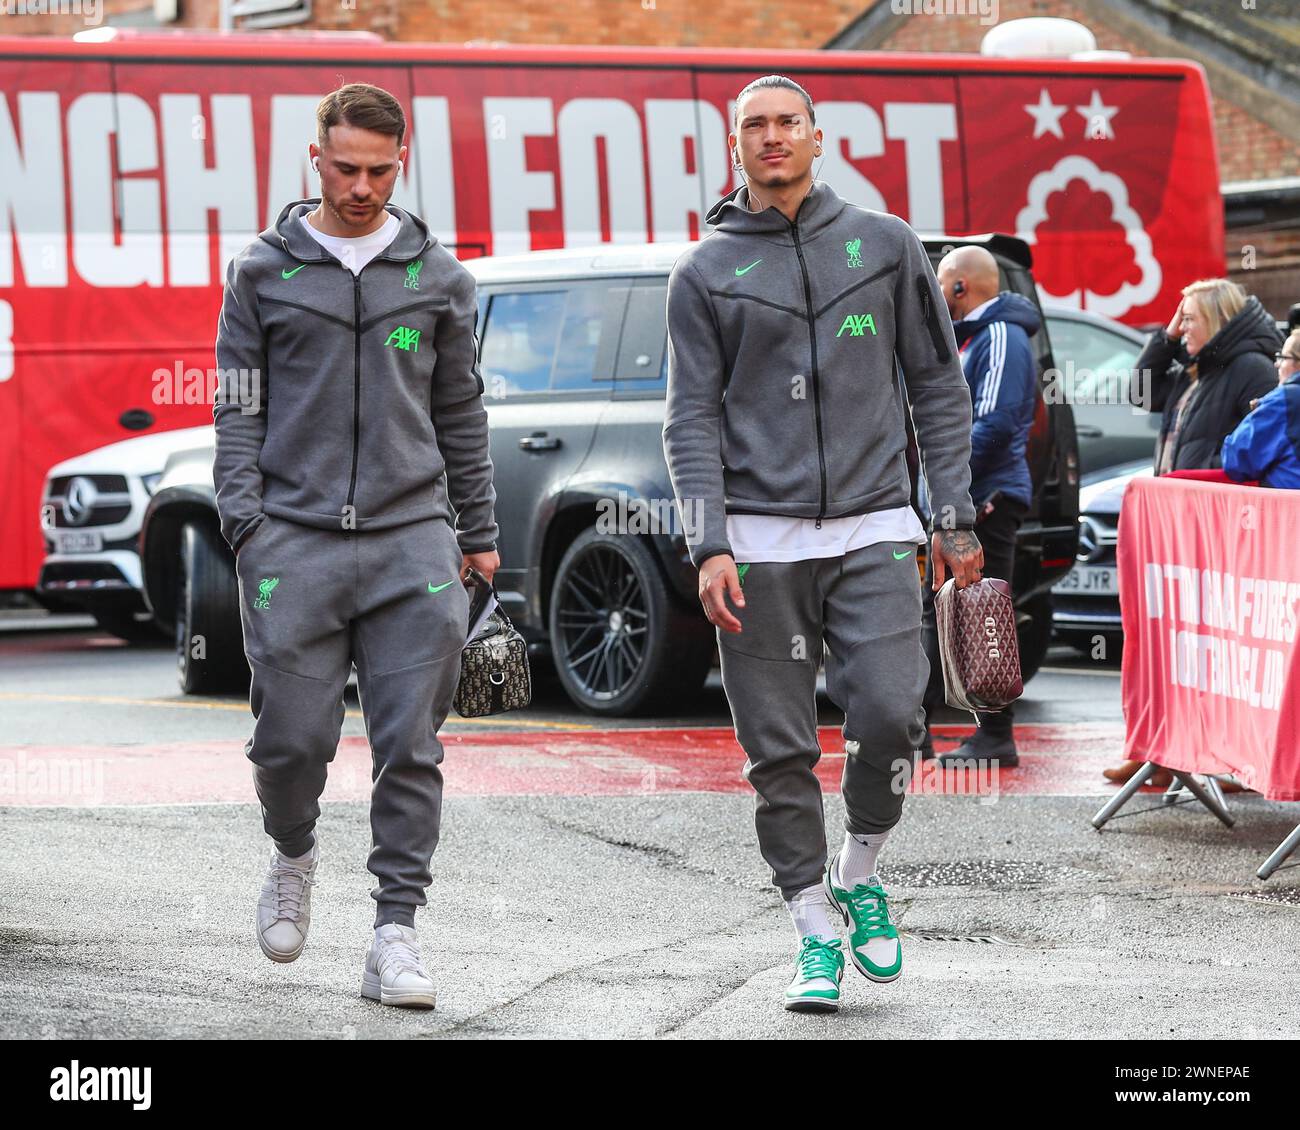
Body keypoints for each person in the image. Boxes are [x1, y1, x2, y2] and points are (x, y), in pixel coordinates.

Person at [662, 75, 981, 1014]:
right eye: (753, 126)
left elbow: (937, 386)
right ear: (734, 147)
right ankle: (810, 927)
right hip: (759, 546)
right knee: (780, 751)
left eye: (786, 122)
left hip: (879, 525)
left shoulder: (883, 246)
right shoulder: (705, 270)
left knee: (891, 713)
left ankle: (859, 867)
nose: (771, 137)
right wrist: (708, 541)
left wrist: (952, 512)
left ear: (817, 136)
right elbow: (689, 418)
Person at [212, 83, 499, 1008]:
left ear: (400, 162)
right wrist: (246, 526)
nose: (362, 187)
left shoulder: (438, 278)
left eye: (379, 170)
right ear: (316, 159)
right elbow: (238, 410)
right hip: (291, 544)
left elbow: (460, 413)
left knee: (410, 746)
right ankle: (292, 852)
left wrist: (481, 537)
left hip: (414, 539)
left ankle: (394, 935)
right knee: (290, 744)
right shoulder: (263, 271)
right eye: (346, 168)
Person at [1105, 279, 1280, 785]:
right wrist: (1165, 335)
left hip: (1215, 530)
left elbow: (1256, 457)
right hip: (1178, 528)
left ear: (1219, 321)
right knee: (1169, 646)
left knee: (1215, 651)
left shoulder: (1251, 368)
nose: (1181, 331)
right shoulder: (1193, 366)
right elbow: (1141, 391)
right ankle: (1156, 752)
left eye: (1190, 320)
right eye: (1178, 321)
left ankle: (1230, 759)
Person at [918, 246, 1039, 767]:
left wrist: (940, 469)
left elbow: (994, 423)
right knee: (941, 612)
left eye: (941, 284)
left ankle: (995, 736)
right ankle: (918, 732)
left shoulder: (1001, 336)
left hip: (986, 499)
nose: (936, 296)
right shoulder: (973, 339)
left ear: (961, 288)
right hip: (966, 498)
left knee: (985, 615)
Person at [1221, 328, 1300, 489]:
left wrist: (1261, 412)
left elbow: (1236, 459)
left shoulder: (1285, 400)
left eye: (1283, 358)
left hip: (1287, 508)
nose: (1276, 364)